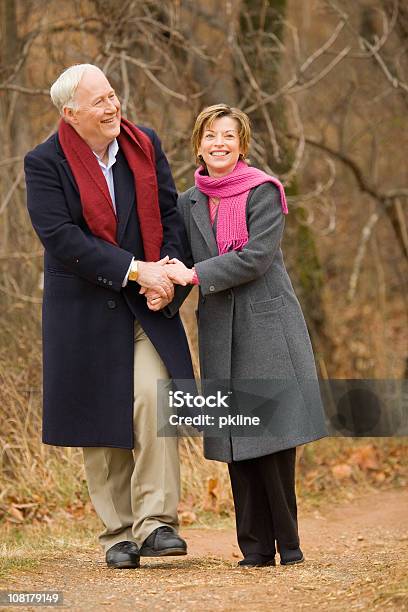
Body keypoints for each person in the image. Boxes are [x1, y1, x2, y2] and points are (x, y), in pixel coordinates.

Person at [24, 64, 194, 569]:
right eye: (99, 101)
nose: (112, 107)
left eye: (113, 95)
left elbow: (169, 218)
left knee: (152, 397)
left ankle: (157, 523)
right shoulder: (44, 162)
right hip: (84, 309)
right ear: (70, 113)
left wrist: (168, 281)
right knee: (101, 417)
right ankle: (118, 534)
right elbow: (62, 239)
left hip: (148, 304)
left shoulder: (145, 146)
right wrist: (135, 269)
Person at [162, 104, 328, 568]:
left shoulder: (264, 192)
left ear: (242, 144)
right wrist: (163, 294)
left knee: (274, 438)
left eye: (228, 137)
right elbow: (180, 261)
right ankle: (254, 547)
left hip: (267, 326)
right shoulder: (187, 201)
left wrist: (193, 276)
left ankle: (289, 546)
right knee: (238, 439)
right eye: (211, 136)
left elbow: (255, 258)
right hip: (220, 331)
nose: (219, 144)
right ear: (198, 143)